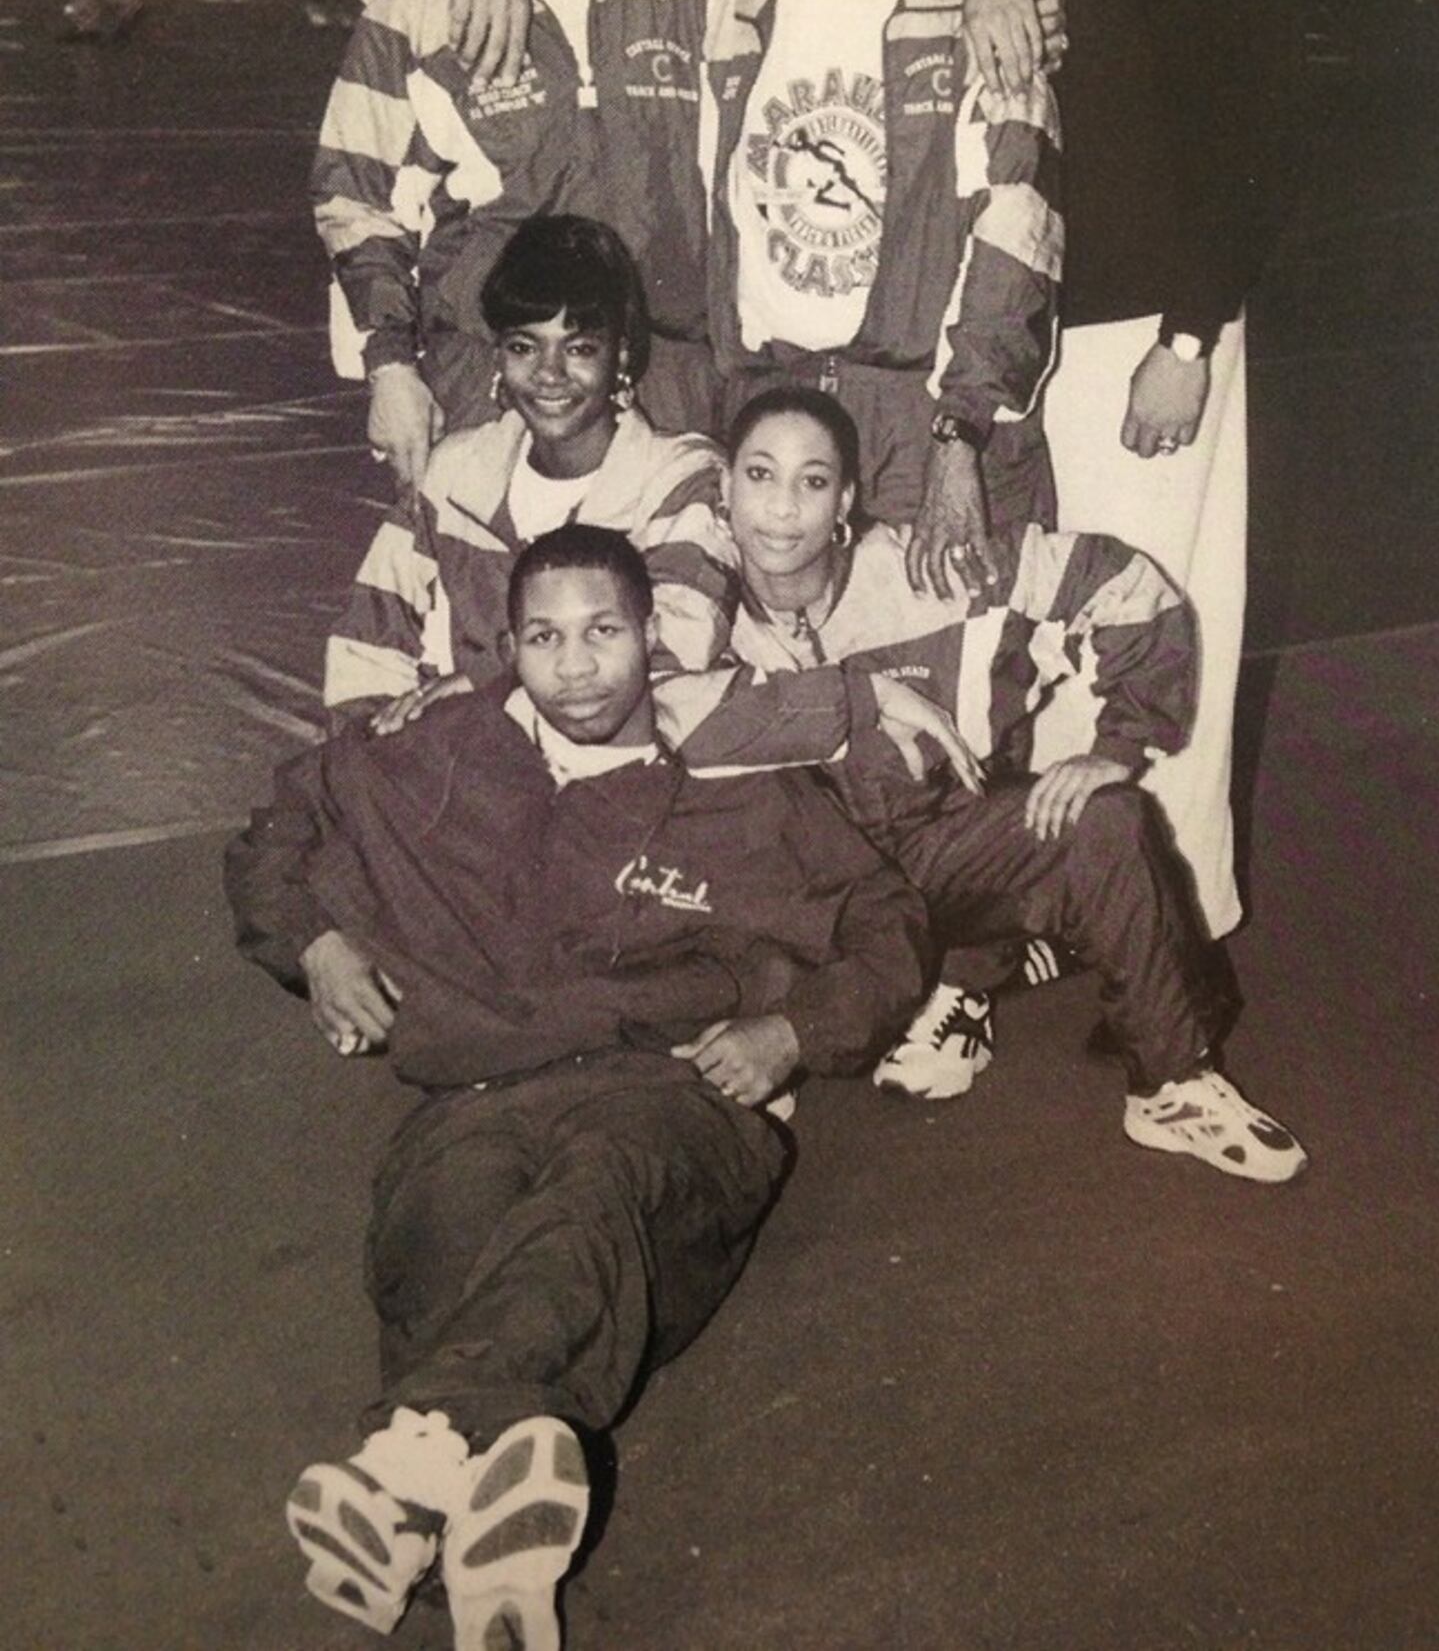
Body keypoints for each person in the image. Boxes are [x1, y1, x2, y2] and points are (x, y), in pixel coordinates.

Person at [225, 523, 929, 1649]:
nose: (576, 663)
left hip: (669, 1090)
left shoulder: (739, 786)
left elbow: (888, 927)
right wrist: (309, 940)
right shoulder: (441, 750)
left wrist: (795, 1032)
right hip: (473, 1098)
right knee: (441, 1250)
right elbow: (282, 822)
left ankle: (413, 1464)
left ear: (651, 637)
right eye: (544, 638)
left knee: (595, 1200)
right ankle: (470, 1535)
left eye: (603, 631)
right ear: (509, 647)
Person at [668, 386, 1306, 1184]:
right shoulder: (692, 603)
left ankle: (1169, 1084)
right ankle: (920, 988)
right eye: (760, 475)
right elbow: (658, 711)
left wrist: (1118, 745)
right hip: (799, 893)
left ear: (847, 500)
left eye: (813, 480)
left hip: (936, 851)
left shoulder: (924, 569)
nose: (782, 509)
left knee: (1105, 820)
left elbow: (1127, 587)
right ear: (724, 489)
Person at [930, 0, 1297, 935]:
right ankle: (1064, 902)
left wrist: (1191, 336)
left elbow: (1258, 124)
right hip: (1004, 327)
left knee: (1157, 624)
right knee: (1026, 625)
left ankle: (1176, 921)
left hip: (1144, 325)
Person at [312, 0, 768, 486]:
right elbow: (354, 195)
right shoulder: (419, 1)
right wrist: (390, 368)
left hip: (673, 383)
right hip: (487, 387)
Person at [704, 0, 1064, 594]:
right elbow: (733, 219)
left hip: (930, 417)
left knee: (955, 688)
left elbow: (1017, 230)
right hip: (782, 410)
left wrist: (959, 437)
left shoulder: (979, 2)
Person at [324, 212, 737, 725]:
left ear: (621, 355)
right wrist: (367, 748)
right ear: (497, 355)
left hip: (626, 765)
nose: (549, 374)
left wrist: (492, 686)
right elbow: (367, 644)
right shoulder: (453, 475)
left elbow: (680, 643)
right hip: (467, 762)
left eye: (580, 348)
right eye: (524, 346)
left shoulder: (682, 479)